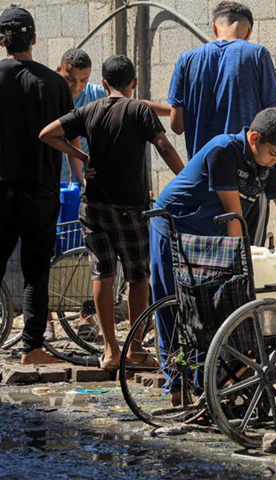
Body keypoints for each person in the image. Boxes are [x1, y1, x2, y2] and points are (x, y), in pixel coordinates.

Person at [150, 107, 276, 402]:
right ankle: (176, 388)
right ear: (254, 138)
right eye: (274, 153)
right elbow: (233, 216)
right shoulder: (224, 151)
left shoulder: (268, 166)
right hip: (175, 226)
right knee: (174, 310)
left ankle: (205, 390)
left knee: (208, 310)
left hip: (209, 235)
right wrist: (240, 262)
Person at [40, 55, 184, 371]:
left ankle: (109, 351)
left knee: (101, 274)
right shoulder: (139, 110)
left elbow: (48, 133)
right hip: (129, 208)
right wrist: (187, 178)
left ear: (104, 84)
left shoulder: (89, 110)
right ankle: (135, 349)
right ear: (134, 84)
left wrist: (82, 156)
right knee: (137, 276)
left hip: (93, 208)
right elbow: (163, 145)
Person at [168, 1, 276, 244]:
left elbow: (176, 125)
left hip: (204, 182)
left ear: (214, 27)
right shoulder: (257, 54)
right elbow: (275, 119)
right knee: (247, 258)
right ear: (249, 31)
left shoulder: (186, 59)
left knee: (206, 260)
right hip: (246, 184)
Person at [0, 6, 73, 365]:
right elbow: (69, 135)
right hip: (40, 187)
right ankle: (32, 349)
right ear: (33, 40)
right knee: (36, 270)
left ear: (1, 41)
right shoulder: (55, 84)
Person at [56, 48, 172, 184]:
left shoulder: (94, 94)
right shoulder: (49, 95)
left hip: (88, 179)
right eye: (70, 79)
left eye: (83, 80)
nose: (76, 86)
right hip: (57, 178)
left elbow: (132, 105)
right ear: (59, 71)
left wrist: (172, 111)